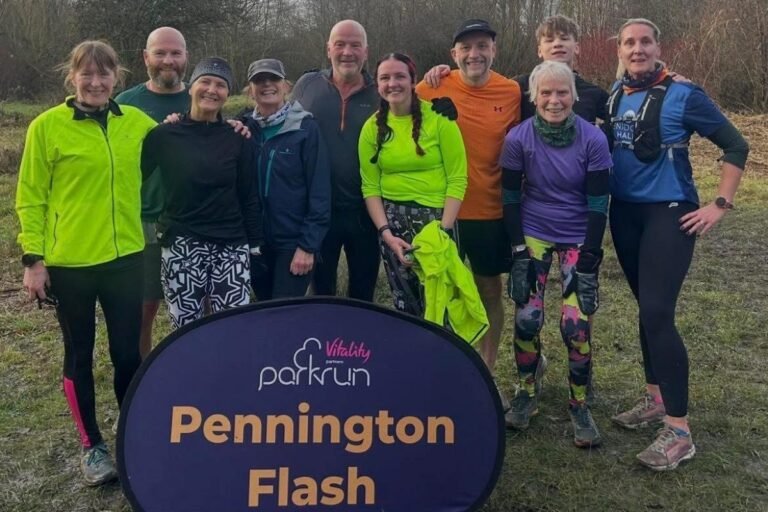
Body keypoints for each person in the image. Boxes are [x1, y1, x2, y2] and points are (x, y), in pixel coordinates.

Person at [606, 18, 749, 470]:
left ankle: (680, 431)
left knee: (657, 313)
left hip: (669, 214)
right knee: (645, 309)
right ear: (620, 51)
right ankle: (654, 399)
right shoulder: (613, 94)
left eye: (645, 41)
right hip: (624, 214)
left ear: (658, 46)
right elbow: (550, 85)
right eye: (629, 42)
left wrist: (720, 204)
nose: (637, 49)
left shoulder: (685, 94)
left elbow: (736, 145)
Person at [16, 40, 157, 485]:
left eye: (104, 74)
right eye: (87, 74)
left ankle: (132, 433)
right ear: (72, 77)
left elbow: (183, 137)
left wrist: (231, 131)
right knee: (79, 353)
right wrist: (33, 260)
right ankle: (92, 446)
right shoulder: (47, 127)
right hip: (70, 264)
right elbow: (31, 197)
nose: (96, 83)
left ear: (118, 78)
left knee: (126, 354)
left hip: (125, 260)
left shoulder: (136, 122)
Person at [500, 61, 612, 448]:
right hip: (533, 233)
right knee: (528, 319)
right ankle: (527, 392)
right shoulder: (517, 138)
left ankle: (579, 404)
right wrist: (518, 251)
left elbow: (599, 203)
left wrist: (591, 258)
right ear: (533, 97)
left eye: (562, 92)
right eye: (545, 93)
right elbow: (511, 198)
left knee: (575, 327)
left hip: (579, 235)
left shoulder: (593, 140)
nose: (554, 100)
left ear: (574, 96)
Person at [415, 19, 521, 386]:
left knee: (488, 290)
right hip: (441, 213)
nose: (474, 54)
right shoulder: (431, 88)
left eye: (482, 46)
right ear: (453, 54)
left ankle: (485, 371)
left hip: (489, 210)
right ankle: (444, 368)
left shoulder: (511, 92)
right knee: (441, 292)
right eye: (466, 47)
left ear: (494, 50)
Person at [141, 57, 263, 328]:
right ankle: (187, 371)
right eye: (205, 81)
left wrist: (254, 243)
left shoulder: (238, 137)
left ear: (227, 94)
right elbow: (132, 177)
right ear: (190, 87)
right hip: (181, 243)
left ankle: (227, 371)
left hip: (230, 246)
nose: (211, 89)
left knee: (232, 326)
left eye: (220, 85)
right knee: (184, 326)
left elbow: (249, 194)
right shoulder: (164, 135)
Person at [359, 53, 467, 316]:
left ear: (413, 81)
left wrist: (443, 231)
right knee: (406, 307)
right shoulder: (372, 128)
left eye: (399, 76)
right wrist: (386, 233)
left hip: (436, 222)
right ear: (377, 84)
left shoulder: (440, 119)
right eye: (385, 78)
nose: (392, 83)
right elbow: (370, 186)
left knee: (442, 306)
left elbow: (458, 178)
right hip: (393, 225)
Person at [292, 20, 381, 301]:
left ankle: (359, 345)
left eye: (355, 45)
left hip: (366, 212)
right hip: (318, 213)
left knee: (363, 296)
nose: (347, 52)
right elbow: (279, 121)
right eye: (340, 44)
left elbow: (418, 109)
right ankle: (322, 344)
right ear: (328, 48)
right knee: (320, 295)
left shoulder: (382, 92)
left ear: (366, 52)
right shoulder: (307, 85)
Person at [115, 26, 190, 359]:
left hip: (190, 221)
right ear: (146, 57)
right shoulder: (125, 104)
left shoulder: (203, 97)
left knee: (193, 307)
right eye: (160, 53)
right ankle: (141, 378)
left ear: (187, 57)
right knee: (144, 308)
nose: (168, 61)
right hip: (140, 220)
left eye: (175, 53)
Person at [239, 58, 330, 299]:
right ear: (250, 90)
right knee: (263, 313)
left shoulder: (306, 128)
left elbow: (320, 192)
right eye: (259, 80)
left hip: (293, 244)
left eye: (274, 79)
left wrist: (308, 246)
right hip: (255, 242)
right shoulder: (242, 129)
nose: (267, 84)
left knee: (286, 316)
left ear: (286, 86)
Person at [514, 15, 608, 123]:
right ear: (539, 50)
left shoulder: (594, 93)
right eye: (549, 40)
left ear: (576, 48)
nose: (557, 44)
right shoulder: (519, 88)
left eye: (564, 39)